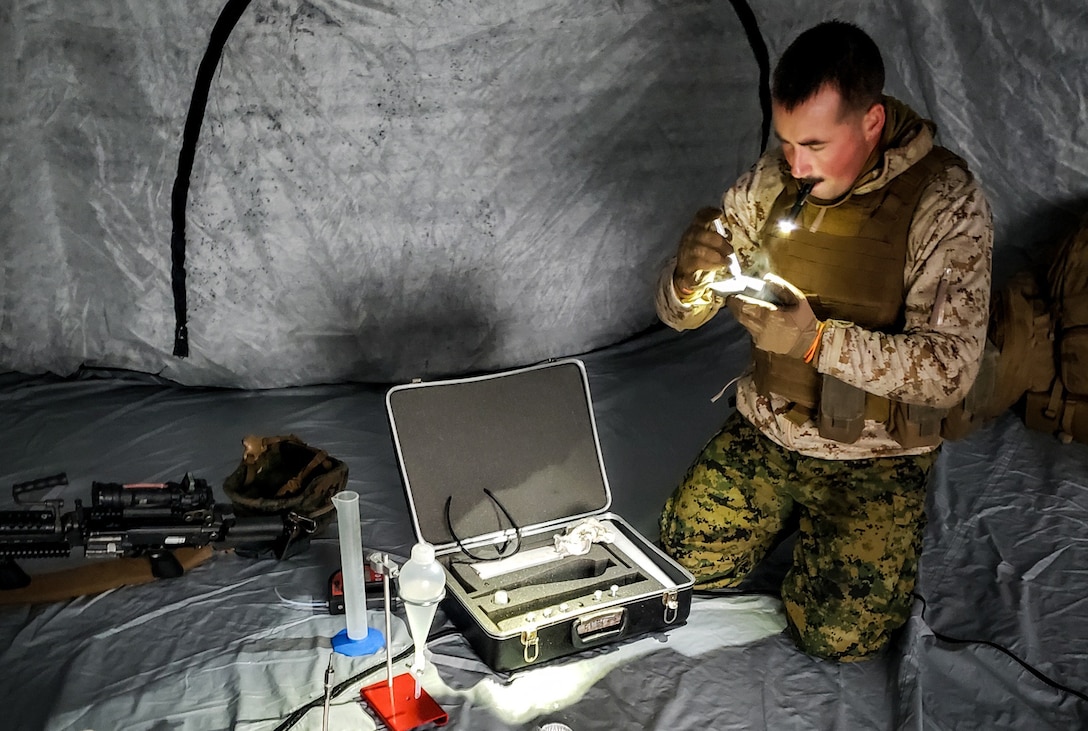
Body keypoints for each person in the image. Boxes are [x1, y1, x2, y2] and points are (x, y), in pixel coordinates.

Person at [655, 20, 993, 661]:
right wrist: (684, 280)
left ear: (870, 124)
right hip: (769, 427)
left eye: (814, 143)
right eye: (784, 142)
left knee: (836, 639)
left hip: (873, 455)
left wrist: (815, 342)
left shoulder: (945, 203)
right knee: (683, 568)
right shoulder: (772, 182)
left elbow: (950, 371)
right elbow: (686, 315)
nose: (795, 165)